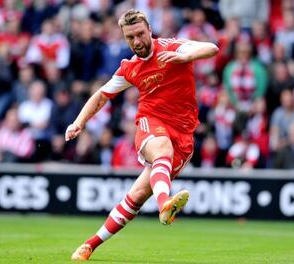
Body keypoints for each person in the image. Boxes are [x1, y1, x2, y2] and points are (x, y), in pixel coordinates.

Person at [66, 9, 219, 261]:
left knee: (136, 196)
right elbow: (102, 95)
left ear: (149, 29)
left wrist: (185, 56)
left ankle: (89, 246)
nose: (136, 41)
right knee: (161, 149)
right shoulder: (130, 68)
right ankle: (165, 205)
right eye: (130, 38)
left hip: (183, 133)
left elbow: (211, 48)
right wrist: (78, 122)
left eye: (139, 34)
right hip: (152, 122)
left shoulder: (172, 46)